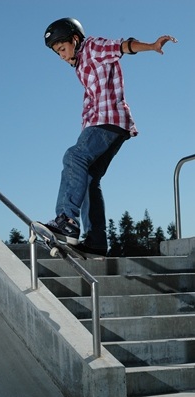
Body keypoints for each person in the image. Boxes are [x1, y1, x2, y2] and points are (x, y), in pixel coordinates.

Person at [43, 18, 177, 257]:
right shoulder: (80, 65)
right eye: (57, 53)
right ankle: (96, 242)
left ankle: (67, 221)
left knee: (74, 157)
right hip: (108, 125)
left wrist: (152, 46)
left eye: (62, 49)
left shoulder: (92, 47)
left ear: (75, 39)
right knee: (89, 180)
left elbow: (122, 46)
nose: (62, 56)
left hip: (109, 120)